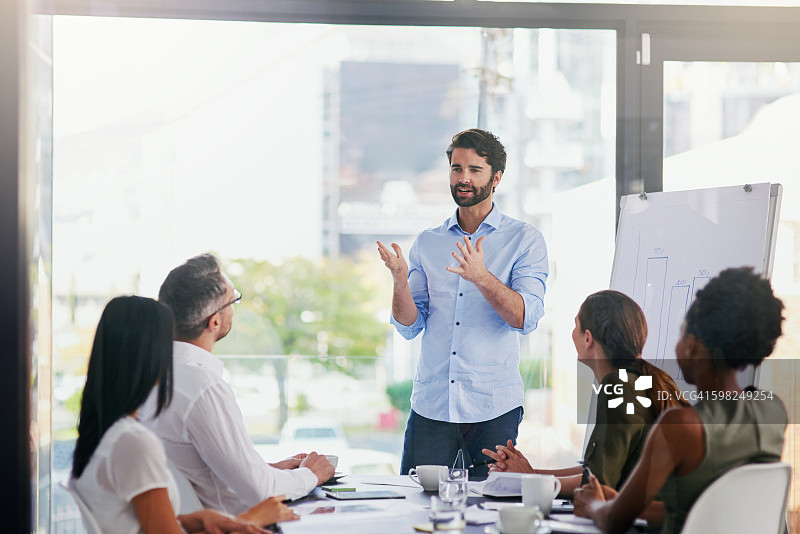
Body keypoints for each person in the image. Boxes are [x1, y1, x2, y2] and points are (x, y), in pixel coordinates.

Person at [378, 128, 548, 476]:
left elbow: (525, 318)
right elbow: (410, 326)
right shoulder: (428, 242)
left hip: (493, 407)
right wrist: (399, 280)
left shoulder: (524, 240)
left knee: (490, 505)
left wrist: (480, 277)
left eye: (474, 170)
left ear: (496, 177)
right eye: (457, 168)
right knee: (417, 502)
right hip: (432, 405)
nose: (463, 178)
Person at [573, 267, 788, 534]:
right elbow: (706, 505)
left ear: (692, 346)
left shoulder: (680, 426)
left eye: (681, 333)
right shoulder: (773, 411)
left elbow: (614, 520)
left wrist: (595, 505)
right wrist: (620, 502)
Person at [71, 296, 295, 534]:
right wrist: (251, 518)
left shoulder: (103, 435)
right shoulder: (133, 442)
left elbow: (136, 524)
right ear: (151, 356)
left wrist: (197, 519)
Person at [139, 254, 334, 516]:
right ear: (214, 321)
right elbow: (259, 491)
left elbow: (200, 472)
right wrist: (311, 475)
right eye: (234, 300)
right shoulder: (201, 388)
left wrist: (266, 468)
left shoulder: (149, 376)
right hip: (233, 524)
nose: (235, 308)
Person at [482, 290, 689, 496]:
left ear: (588, 338)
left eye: (576, 325)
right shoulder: (634, 381)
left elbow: (597, 485)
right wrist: (528, 472)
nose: (572, 333)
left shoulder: (618, 387)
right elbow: (593, 470)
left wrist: (528, 479)